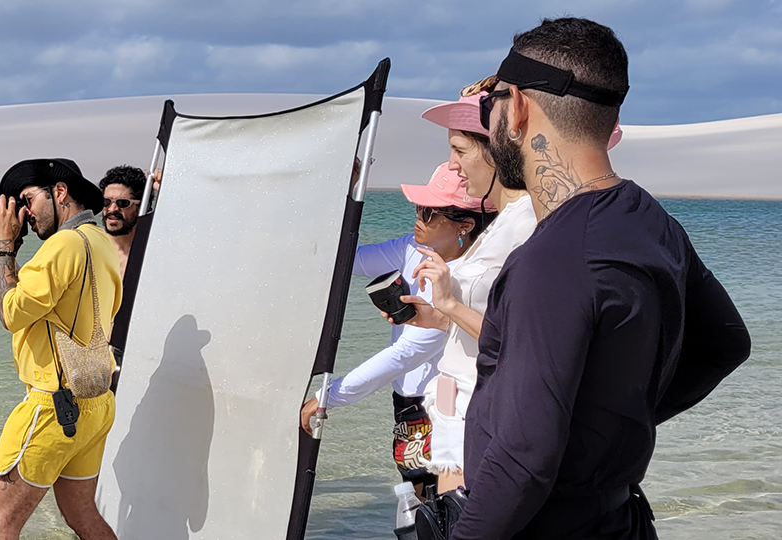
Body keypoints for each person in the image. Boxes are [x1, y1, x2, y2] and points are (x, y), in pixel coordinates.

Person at [450, 18, 751, 539]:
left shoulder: (553, 260)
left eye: (489, 103)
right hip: (618, 519)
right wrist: (611, 428)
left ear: (517, 106)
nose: (489, 116)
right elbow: (725, 344)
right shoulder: (651, 220)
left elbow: (522, 459)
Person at [300, 161, 497, 497]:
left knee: (446, 501)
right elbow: (344, 259)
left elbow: (407, 353)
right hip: (407, 401)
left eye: (429, 213)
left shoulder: (471, 279)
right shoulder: (412, 249)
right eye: (418, 208)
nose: (418, 218)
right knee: (419, 501)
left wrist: (326, 397)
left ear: (464, 225)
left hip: (445, 407)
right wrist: (343, 195)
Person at [391, 91, 538, 495]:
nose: (452, 165)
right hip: (459, 415)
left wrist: (450, 304)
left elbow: (518, 339)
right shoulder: (504, 221)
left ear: (495, 151)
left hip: (481, 418)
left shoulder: (525, 223)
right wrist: (436, 316)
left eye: (459, 150)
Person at [0, 158, 122, 540]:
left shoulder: (63, 244)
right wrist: (4, 250)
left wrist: (4, 249)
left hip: (54, 407)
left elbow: (11, 313)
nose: (25, 213)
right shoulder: (99, 241)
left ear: (59, 192)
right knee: (82, 515)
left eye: (28, 200)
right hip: (94, 402)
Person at [99, 164, 148, 279]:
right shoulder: (92, 251)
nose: (112, 209)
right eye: (106, 202)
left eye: (123, 203)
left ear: (140, 207)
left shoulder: (151, 252)